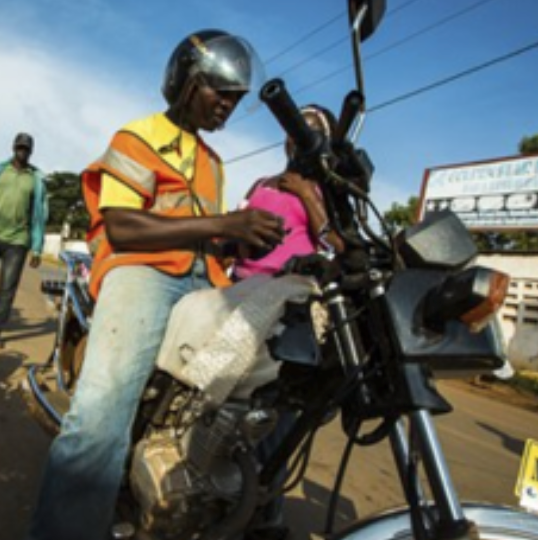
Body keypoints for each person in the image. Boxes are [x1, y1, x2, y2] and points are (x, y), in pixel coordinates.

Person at [26, 29, 285, 540]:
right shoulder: (138, 138)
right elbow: (122, 225)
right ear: (188, 82)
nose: (229, 105)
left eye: (236, 97)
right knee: (98, 422)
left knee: (246, 396)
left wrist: (239, 242)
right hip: (140, 270)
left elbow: (202, 234)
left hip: (202, 282)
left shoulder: (211, 163)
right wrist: (224, 226)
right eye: (221, 91)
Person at [233, 104, 344, 280]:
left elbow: (335, 245)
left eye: (309, 133)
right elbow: (237, 239)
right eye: (294, 131)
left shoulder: (323, 189)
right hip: (240, 283)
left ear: (324, 142)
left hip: (288, 289)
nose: (298, 139)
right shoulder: (261, 184)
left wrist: (306, 194)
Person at [0, 133, 48, 348]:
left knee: (8, 288)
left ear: (31, 151)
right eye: (19, 147)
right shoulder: (2, 170)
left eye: (26, 148)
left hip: (18, 240)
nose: (22, 151)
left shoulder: (35, 179)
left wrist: (37, 249)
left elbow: (39, 215)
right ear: (13, 147)